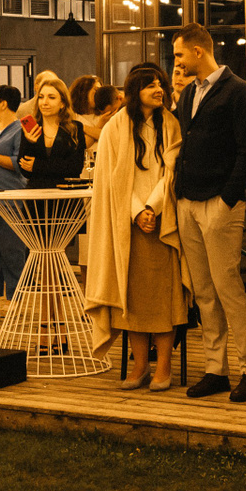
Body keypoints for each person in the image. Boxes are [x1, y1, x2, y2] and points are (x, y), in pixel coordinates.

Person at [170, 24, 246, 403]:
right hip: (188, 200)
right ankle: (216, 369)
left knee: (228, 287)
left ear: (198, 51)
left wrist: (227, 199)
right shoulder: (188, 93)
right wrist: (180, 192)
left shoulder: (238, 91)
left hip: (219, 203)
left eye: (179, 54)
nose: (176, 62)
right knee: (203, 290)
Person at [84, 66, 188, 390]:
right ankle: (140, 366)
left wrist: (152, 208)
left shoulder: (171, 124)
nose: (158, 90)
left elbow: (171, 171)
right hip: (126, 224)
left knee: (163, 299)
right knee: (131, 298)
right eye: (150, 85)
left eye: (160, 84)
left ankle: (164, 367)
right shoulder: (115, 127)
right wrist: (135, 212)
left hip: (162, 222)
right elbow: (111, 179)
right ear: (134, 91)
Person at [0, 85, 29, 300]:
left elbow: (21, 162)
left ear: (4, 103)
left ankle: (15, 298)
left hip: (10, 198)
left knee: (12, 250)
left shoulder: (21, 129)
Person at [18, 79, 87, 189]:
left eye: (51, 97)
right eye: (41, 97)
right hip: (36, 194)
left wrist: (38, 166)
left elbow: (75, 167)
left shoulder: (75, 128)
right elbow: (24, 169)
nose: (44, 102)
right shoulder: (32, 127)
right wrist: (30, 143)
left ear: (62, 103)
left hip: (66, 194)